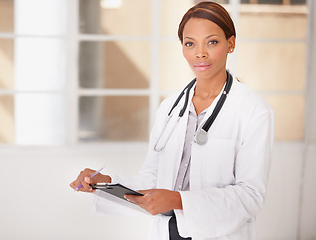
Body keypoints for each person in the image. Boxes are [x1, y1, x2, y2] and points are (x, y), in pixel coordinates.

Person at [70, 1, 274, 239]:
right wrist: (106, 184)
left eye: (212, 42)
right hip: (166, 232)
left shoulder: (254, 110)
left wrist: (179, 200)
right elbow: (153, 178)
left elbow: (250, 196)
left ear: (231, 43)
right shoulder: (169, 108)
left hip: (219, 233)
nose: (200, 53)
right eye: (190, 43)